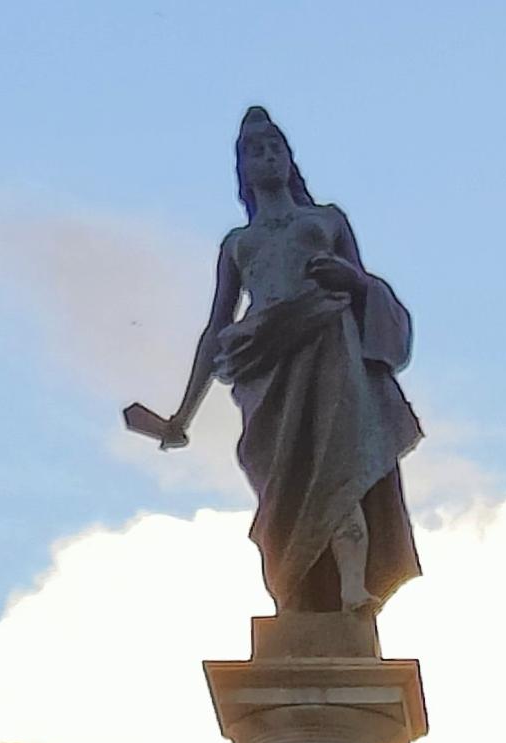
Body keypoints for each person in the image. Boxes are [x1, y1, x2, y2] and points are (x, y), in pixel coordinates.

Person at [128, 105, 422, 622]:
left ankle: (353, 586)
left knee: (339, 464)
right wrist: (182, 415)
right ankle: (292, 592)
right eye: (255, 151)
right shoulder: (239, 244)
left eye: (275, 148)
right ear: (242, 169)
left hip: (328, 348)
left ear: (289, 159)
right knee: (284, 481)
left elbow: (363, 283)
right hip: (267, 365)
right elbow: (216, 327)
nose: (267, 157)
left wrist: (354, 283)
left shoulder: (325, 220)